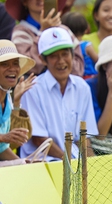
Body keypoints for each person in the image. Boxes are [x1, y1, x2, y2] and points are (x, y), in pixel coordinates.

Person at [20, 27, 98, 161]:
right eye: (53, 56)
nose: (61, 61)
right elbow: (39, 140)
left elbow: (85, 138)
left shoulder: (82, 87)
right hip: (41, 162)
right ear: (43, 60)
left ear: (73, 55)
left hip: (73, 161)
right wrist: (71, 165)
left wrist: (90, 164)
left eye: (65, 54)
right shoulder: (33, 89)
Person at [8, 0, 84, 77]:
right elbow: (26, 66)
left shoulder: (64, 30)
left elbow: (79, 68)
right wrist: (43, 31)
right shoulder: (21, 31)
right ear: (24, 2)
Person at [0, 40, 36, 164]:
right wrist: (3, 137)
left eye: (15, 64)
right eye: (5, 64)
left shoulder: (8, 98)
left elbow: (3, 149)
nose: (12, 69)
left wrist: (23, 163)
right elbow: (4, 141)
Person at [61, 12, 99, 80]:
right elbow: (98, 60)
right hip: (90, 77)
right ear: (85, 29)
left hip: (75, 77)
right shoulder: (87, 45)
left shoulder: (68, 47)